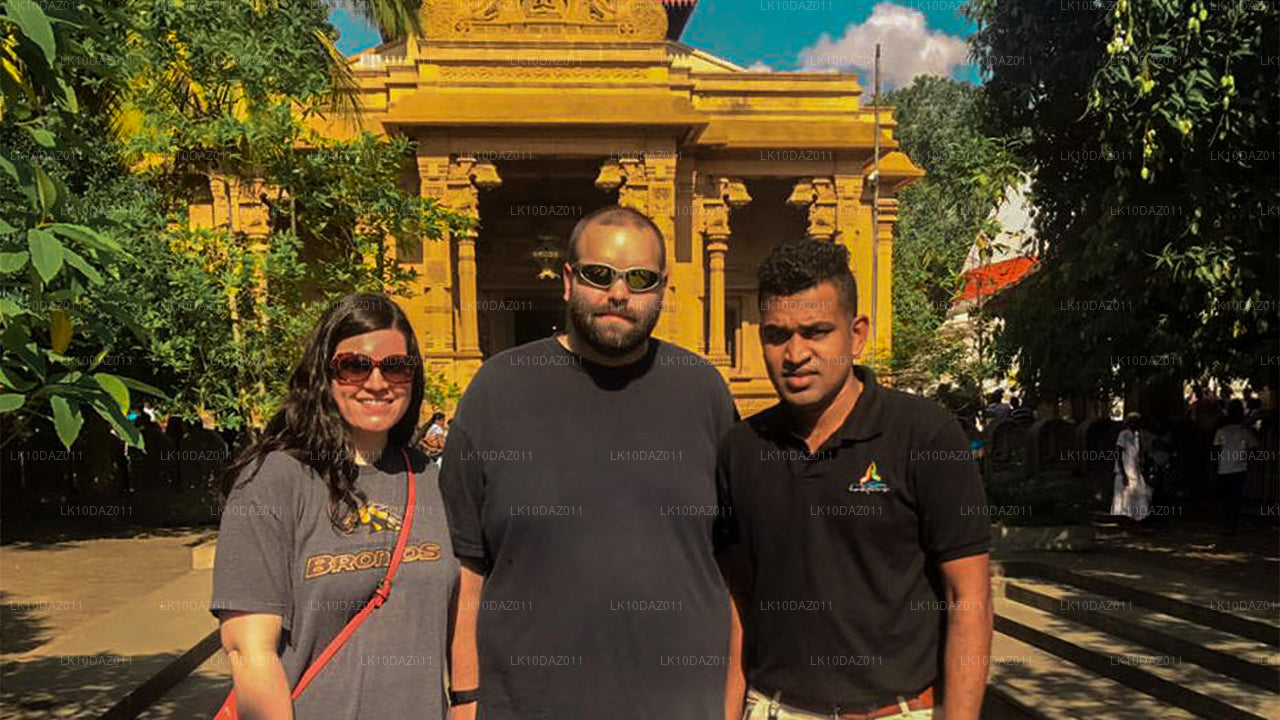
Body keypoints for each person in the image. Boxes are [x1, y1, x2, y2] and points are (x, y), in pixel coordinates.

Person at [439, 205, 738, 720]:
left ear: (663, 288)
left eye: (639, 279)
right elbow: (466, 564)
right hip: (529, 705)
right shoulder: (498, 390)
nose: (618, 293)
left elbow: (736, 561)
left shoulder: (703, 392)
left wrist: (732, 700)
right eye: (599, 275)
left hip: (683, 704)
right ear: (568, 280)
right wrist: (465, 699)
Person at [715, 240, 992, 720]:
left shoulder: (924, 435)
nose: (795, 353)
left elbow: (969, 597)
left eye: (816, 332)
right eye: (777, 335)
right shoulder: (742, 449)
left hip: (896, 711)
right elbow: (740, 601)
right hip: (775, 709)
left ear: (856, 334)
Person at [210, 292, 458, 720]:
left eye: (395, 366)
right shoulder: (274, 481)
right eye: (355, 366)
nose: (377, 382)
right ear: (323, 374)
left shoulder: (430, 478)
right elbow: (249, 652)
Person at [1212, 399, 1260, 535]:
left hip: (1224, 468)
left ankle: (1229, 522)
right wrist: (1258, 464)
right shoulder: (1245, 432)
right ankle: (1232, 522)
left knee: (1226, 497)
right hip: (1239, 468)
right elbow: (1254, 450)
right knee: (1235, 497)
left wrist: (1213, 468)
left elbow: (1215, 452)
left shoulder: (1222, 431)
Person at [1111, 412, 1152, 522]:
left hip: (1134, 469)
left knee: (1138, 493)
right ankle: (1124, 518)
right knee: (1124, 495)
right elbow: (1118, 452)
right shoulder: (1124, 434)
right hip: (1124, 469)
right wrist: (1122, 471)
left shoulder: (1137, 435)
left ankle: (1137, 517)